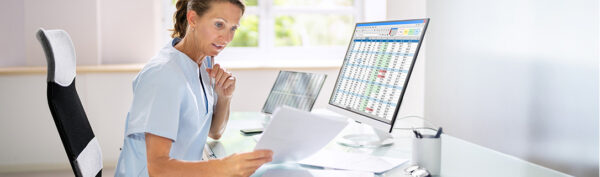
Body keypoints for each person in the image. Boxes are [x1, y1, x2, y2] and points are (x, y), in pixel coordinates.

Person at [114, 0, 273, 176]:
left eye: (233, 28)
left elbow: (214, 132)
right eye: (219, 24)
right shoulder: (163, 75)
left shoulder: (204, 62)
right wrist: (224, 167)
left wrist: (224, 96)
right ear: (193, 19)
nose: (227, 38)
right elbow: (157, 168)